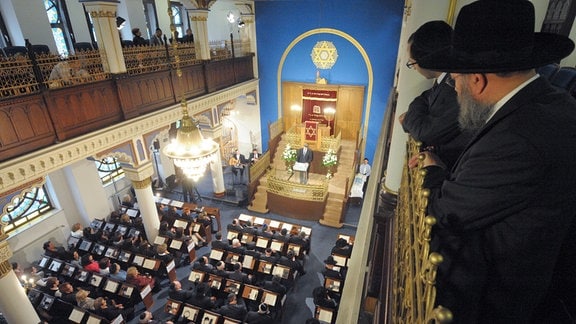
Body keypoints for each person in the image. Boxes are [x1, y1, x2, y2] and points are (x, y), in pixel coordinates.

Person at [415, 1, 576, 323]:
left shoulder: (519, 139)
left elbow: (445, 213)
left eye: (457, 81)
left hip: (489, 298)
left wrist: (432, 168)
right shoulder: (551, 101)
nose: (456, 89)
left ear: (477, 81)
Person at [399, 20, 472, 170]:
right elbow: (424, 98)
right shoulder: (444, 79)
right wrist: (416, 116)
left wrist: (408, 120)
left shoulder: (458, 87)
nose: (413, 68)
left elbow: (425, 132)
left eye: (412, 63)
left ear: (426, 61)